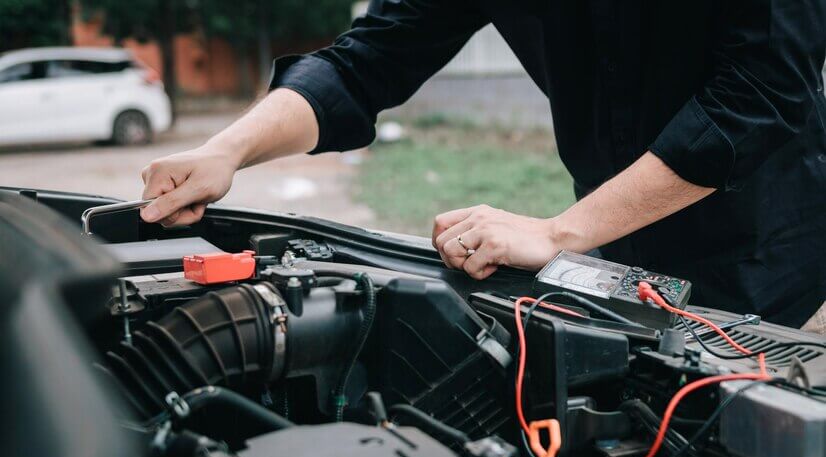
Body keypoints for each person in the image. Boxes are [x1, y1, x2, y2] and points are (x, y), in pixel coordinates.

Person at [140, 1, 826, 330]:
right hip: (611, 242)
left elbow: (760, 94)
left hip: (765, 244)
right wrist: (224, 150)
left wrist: (557, 234)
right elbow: (365, 63)